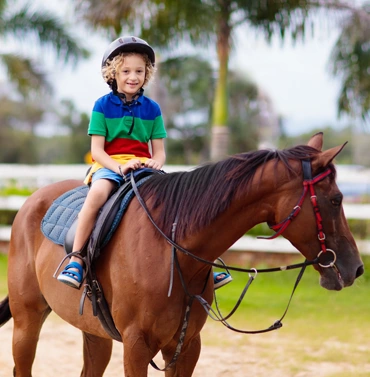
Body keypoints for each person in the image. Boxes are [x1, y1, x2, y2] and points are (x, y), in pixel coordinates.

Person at [57, 36, 232, 290]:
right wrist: (118, 167)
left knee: (181, 202)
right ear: (112, 74)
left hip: (144, 168)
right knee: (96, 196)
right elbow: (97, 151)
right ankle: (75, 260)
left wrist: (153, 163)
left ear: (146, 74)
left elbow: (159, 152)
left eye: (139, 71)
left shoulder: (153, 109)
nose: (133, 76)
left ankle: (208, 265)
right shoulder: (102, 106)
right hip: (110, 166)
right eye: (126, 71)